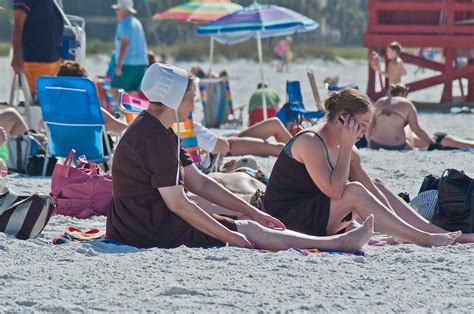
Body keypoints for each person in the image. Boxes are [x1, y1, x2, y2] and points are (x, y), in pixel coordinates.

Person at [106, 63, 375, 251]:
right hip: (145, 225)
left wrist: (253, 211)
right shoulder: (155, 137)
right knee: (246, 231)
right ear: (174, 98)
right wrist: (228, 235)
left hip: (137, 219)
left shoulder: (158, 129)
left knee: (248, 224)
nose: (194, 103)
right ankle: (336, 244)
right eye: (191, 97)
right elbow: (178, 204)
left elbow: (200, 182)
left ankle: (331, 242)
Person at [263, 88, 474, 247]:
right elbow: (335, 192)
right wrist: (346, 147)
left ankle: (429, 231)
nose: (364, 132)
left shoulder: (345, 146)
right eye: (363, 124)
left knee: (377, 185)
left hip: (315, 214)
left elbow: (372, 192)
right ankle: (422, 238)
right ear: (344, 118)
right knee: (354, 191)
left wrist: (398, 225)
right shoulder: (311, 141)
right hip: (286, 219)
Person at [367, 83, 474, 150]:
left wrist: (369, 143)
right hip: (398, 145)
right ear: (403, 94)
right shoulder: (406, 104)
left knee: (406, 127)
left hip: (375, 144)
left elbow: (370, 126)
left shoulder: (379, 102)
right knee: (411, 128)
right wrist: (432, 144)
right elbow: (417, 129)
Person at [11, 0, 64, 103]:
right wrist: (16, 55)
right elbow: (18, 25)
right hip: (34, 62)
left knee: (50, 106)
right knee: (37, 105)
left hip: (54, 63)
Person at [56, 61, 128, 134]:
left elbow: (43, 125)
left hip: (60, 145)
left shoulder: (51, 109)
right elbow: (125, 130)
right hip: (85, 145)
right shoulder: (93, 111)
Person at [195, 118, 291, 158]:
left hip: (227, 141)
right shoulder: (185, 129)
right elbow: (223, 147)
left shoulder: (190, 125)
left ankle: (301, 149)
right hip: (228, 149)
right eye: (192, 98)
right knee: (279, 148)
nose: (194, 105)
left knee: (274, 123)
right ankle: (302, 158)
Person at [110, 0, 148, 102]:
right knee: (133, 92)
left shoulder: (123, 23)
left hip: (128, 63)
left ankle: (124, 116)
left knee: (116, 90)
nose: (116, 11)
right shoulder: (137, 22)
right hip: (141, 63)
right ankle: (132, 117)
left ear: (124, 10)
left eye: (118, 9)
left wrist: (119, 65)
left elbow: (124, 44)